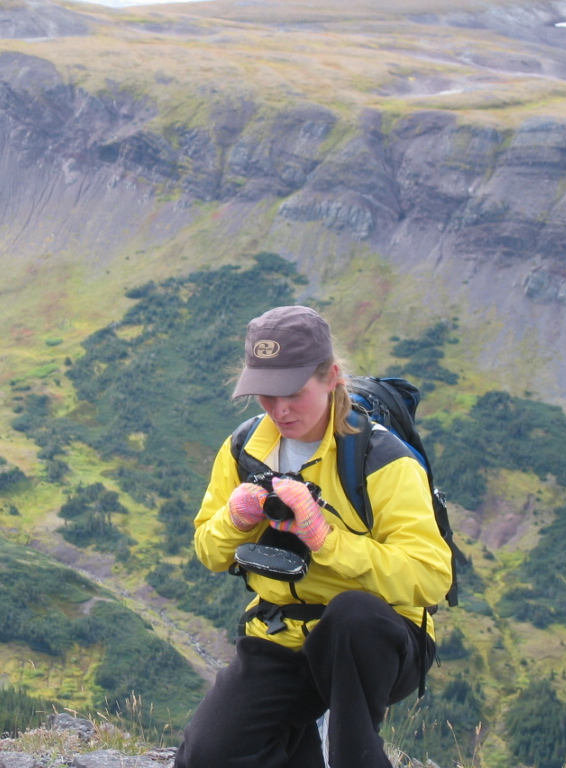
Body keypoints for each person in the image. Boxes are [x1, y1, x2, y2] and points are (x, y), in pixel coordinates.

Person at [173, 305, 454, 768]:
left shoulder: (380, 458)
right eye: (265, 394)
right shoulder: (245, 448)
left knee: (351, 615)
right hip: (284, 631)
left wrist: (326, 539)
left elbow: (430, 577)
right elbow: (209, 550)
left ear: (332, 378)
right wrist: (237, 518)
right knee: (208, 755)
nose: (279, 410)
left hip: (377, 639)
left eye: (293, 393)